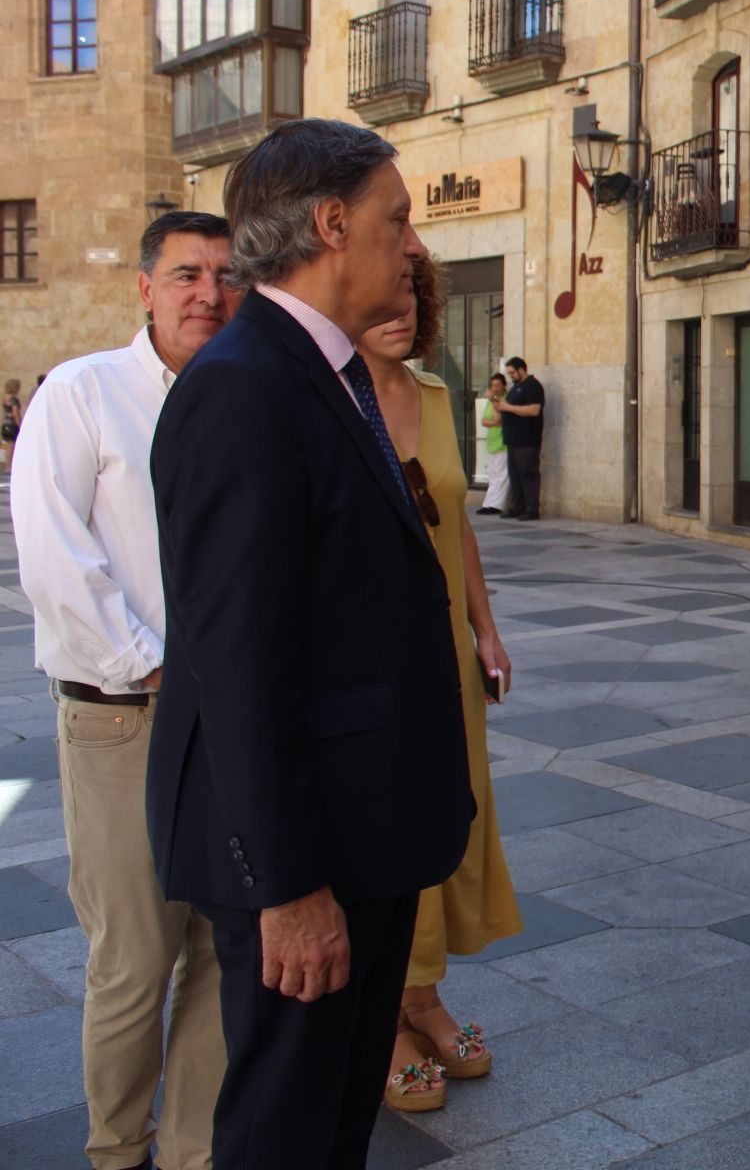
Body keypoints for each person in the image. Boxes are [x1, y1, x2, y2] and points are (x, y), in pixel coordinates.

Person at [146, 118, 475, 1170]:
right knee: (284, 1130)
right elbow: (238, 663)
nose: (412, 246)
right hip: (305, 860)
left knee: (333, 1121)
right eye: (397, 219)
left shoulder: (315, 368)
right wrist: (288, 888)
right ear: (332, 224)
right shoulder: (245, 384)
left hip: (359, 837)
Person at [11, 210, 241, 1170]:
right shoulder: (83, 393)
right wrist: (153, 664)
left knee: (226, 957)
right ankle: (116, 1152)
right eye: (187, 274)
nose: (208, 294)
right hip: (125, 720)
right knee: (134, 961)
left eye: (226, 277)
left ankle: (190, 1153)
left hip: (229, 723)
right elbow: (56, 553)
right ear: (144, 288)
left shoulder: (246, 400)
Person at [358, 258, 522, 1112]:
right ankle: (384, 1014)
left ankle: (422, 995)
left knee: (449, 812)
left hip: (445, 659)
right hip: (369, 662)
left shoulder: (430, 396)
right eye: (382, 299)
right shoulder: (329, 402)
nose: (399, 313)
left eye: (411, 301)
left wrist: (484, 629)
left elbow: (455, 519)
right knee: (385, 823)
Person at [496, 355, 544, 520]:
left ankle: (532, 509)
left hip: (527, 440)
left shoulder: (532, 386)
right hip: (513, 440)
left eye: (512, 373)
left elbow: (534, 410)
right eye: (509, 374)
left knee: (528, 474)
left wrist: (508, 407)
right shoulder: (515, 388)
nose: (511, 377)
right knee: (515, 475)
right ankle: (518, 506)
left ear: (522, 370)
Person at [477, 372, 511, 515]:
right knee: (493, 475)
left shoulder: (505, 400)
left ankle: (497, 505)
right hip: (492, 442)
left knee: (502, 475)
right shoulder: (492, 402)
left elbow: (499, 419)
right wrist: (493, 423)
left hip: (503, 442)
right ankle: (488, 503)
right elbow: (484, 421)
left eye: (498, 385)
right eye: (492, 386)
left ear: (504, 386)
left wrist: (493, 402)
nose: (495, 388)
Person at [2, 377, 24, 471]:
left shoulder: (5, 398)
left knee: (8, 446)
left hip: (5, 423)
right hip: (12, 424)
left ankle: (8, 465)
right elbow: (16, 414)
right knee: (13, 446)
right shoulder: (14, 400)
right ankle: (9, 466)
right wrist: (20, 424)